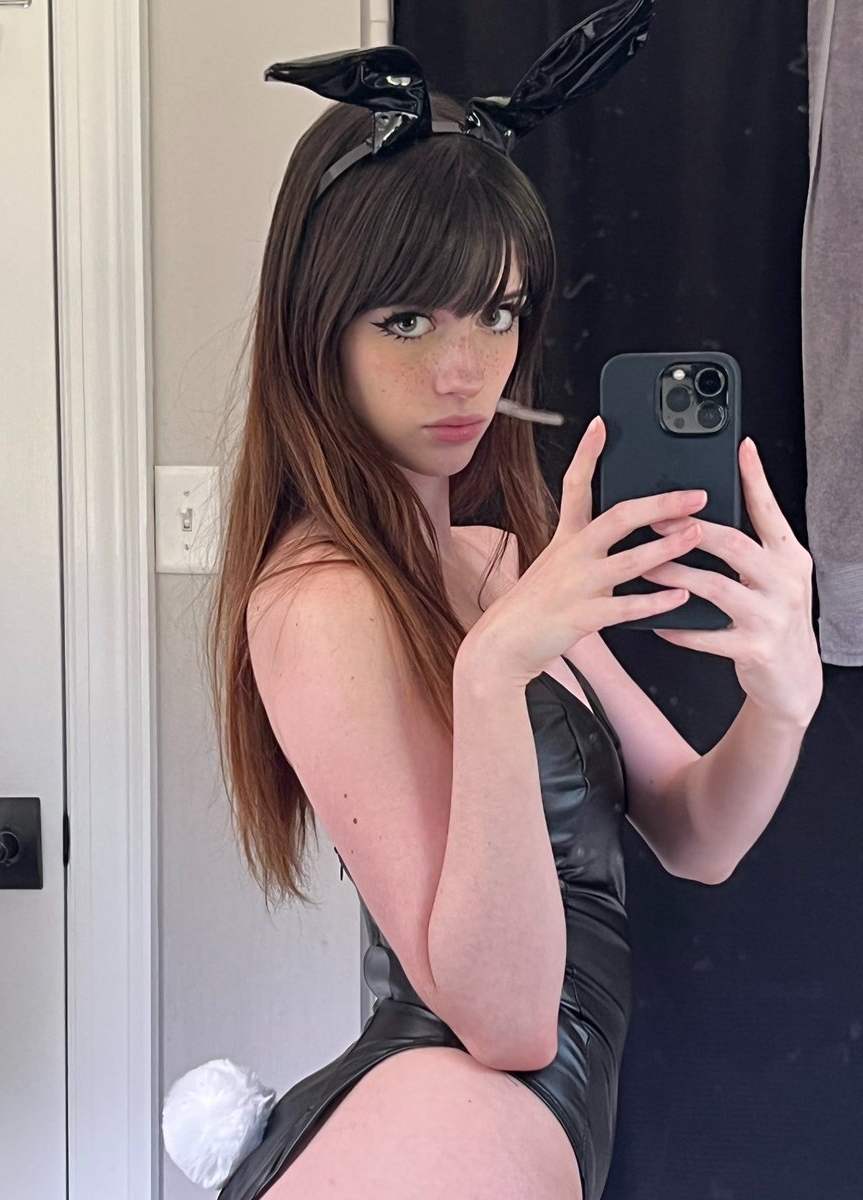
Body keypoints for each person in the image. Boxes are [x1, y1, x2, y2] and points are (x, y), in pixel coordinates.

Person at [195, 1, 822, 1197]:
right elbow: (507, 1023)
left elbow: (698, 834)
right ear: (315, 332)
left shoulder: (496, 560)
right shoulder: (318, 599)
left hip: (528, 1112)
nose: (462, 370)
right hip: (456, 1098)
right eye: (406, 319)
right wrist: (491, 673)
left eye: (496, 310)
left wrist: (781, 703)